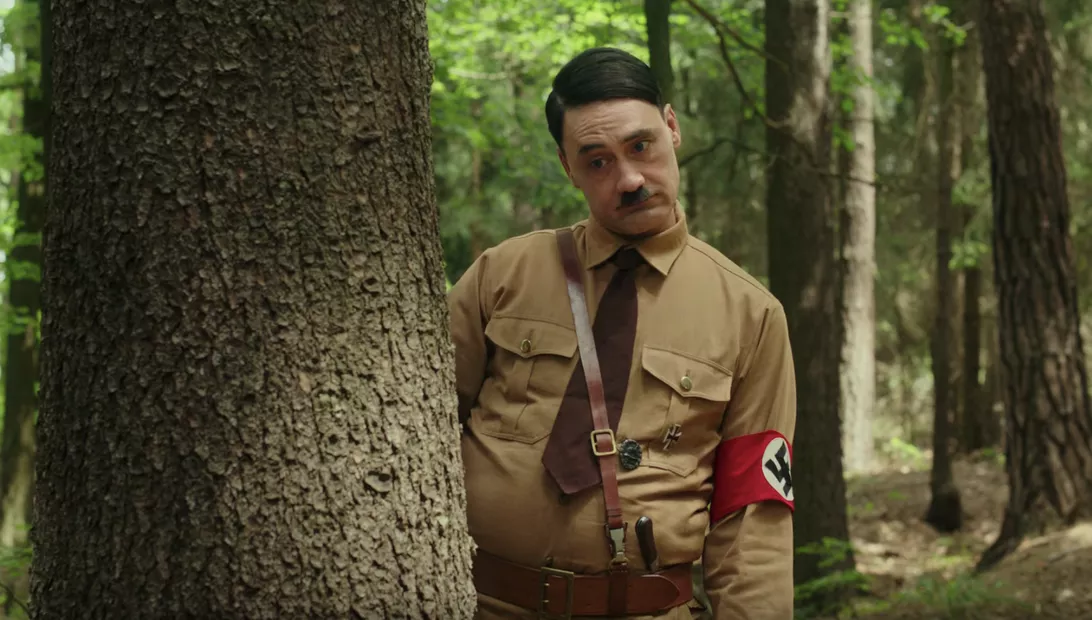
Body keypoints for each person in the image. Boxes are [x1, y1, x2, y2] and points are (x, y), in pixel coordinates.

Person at [447, 46, 797, 619]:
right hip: (481, 604)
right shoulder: (504, 273)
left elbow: (752, 519)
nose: (630, 179)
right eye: (597, 162)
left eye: (641, 146)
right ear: (568, 167)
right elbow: (416, 424)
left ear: (672, 127)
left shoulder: (750, 314)